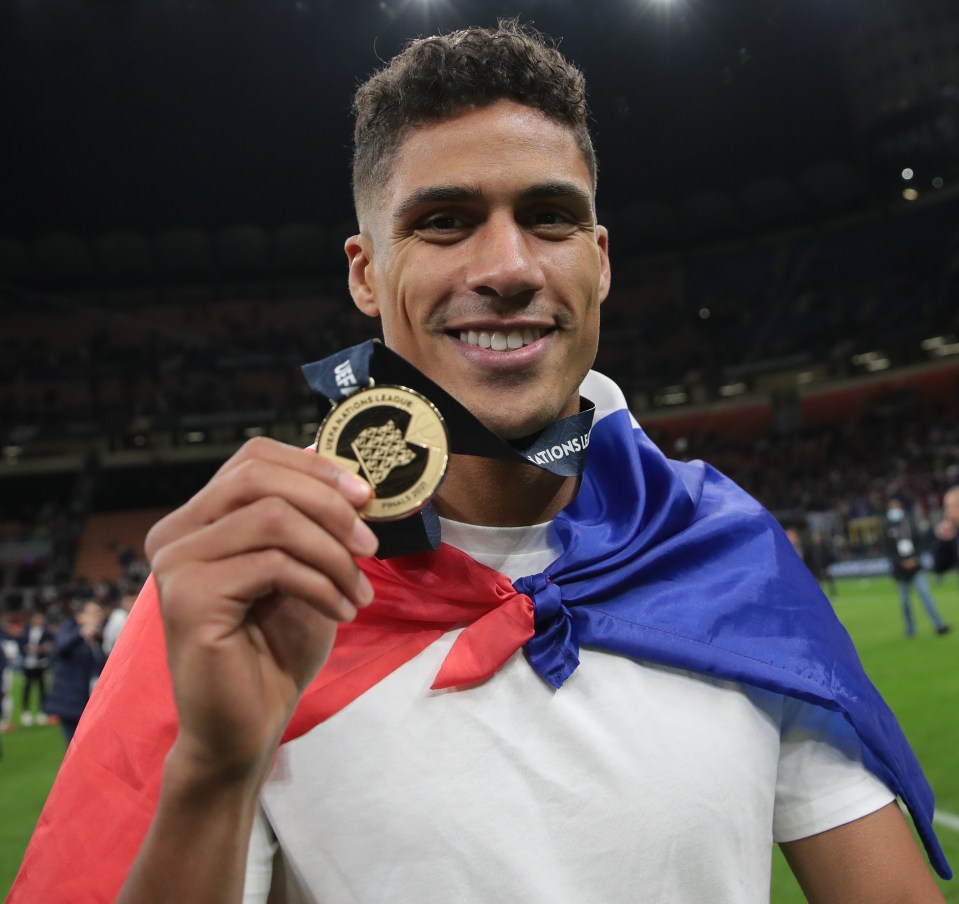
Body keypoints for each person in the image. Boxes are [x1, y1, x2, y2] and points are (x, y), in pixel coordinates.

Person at [11, 20, 950, 904]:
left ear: (600, 259)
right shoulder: (243, 589)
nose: (507, 266)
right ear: (364, 273)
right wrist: (213, 775)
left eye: (548, 217)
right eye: (444, 221)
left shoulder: (722, 555)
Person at [883, 498, 951, 637]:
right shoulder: (886, 527)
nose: (895, 510)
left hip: (916, 567)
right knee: (905, 602)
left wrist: (915, 559)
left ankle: (939, 624)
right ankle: (910, 628)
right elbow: (888, 550)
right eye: (892, 508)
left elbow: (920, 543)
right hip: (900, 570)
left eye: (896, 507)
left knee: (926, 595)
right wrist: (901, 562)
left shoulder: (910, 523)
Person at [42, 599, 107, 744]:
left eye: (99, 613)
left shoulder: (95, 639)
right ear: (80, 616)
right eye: (94, 613)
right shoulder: (70, 630)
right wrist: (80, 634)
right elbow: (61, 647)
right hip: (71, 701)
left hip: (87, 700)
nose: (98, 617)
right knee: (75, 746)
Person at [17, 609, 54, 726]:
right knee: (27, 688)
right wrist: (27, 649)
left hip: (41, 663)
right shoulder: (26, 630)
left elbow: (51, 645)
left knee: (41, 688)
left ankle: (42, 712)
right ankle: (26, 712)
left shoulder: (47, 632)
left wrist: (40, 649)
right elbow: (21, 644)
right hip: (28, 663)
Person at [933, 484, 959, 579]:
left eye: (948, 507)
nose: (946, 512)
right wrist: (944, 540)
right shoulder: (954, 535)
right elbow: (940, 567)